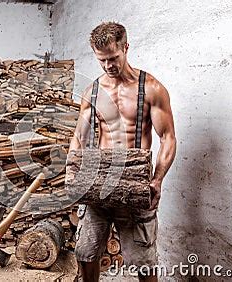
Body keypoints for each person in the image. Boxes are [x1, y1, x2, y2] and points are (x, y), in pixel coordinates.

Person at [68, 22, 177, 282]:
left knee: (144, 262)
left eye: (113, 58)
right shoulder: (92, 92)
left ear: (126, 48)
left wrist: (157, 180)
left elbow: (168, 137)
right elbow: (79, 137)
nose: (108, 66)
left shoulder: (152, 88)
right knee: (85, 253)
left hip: (136, 184)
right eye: (101, 60)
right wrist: (71, 177)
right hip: (100, 182)